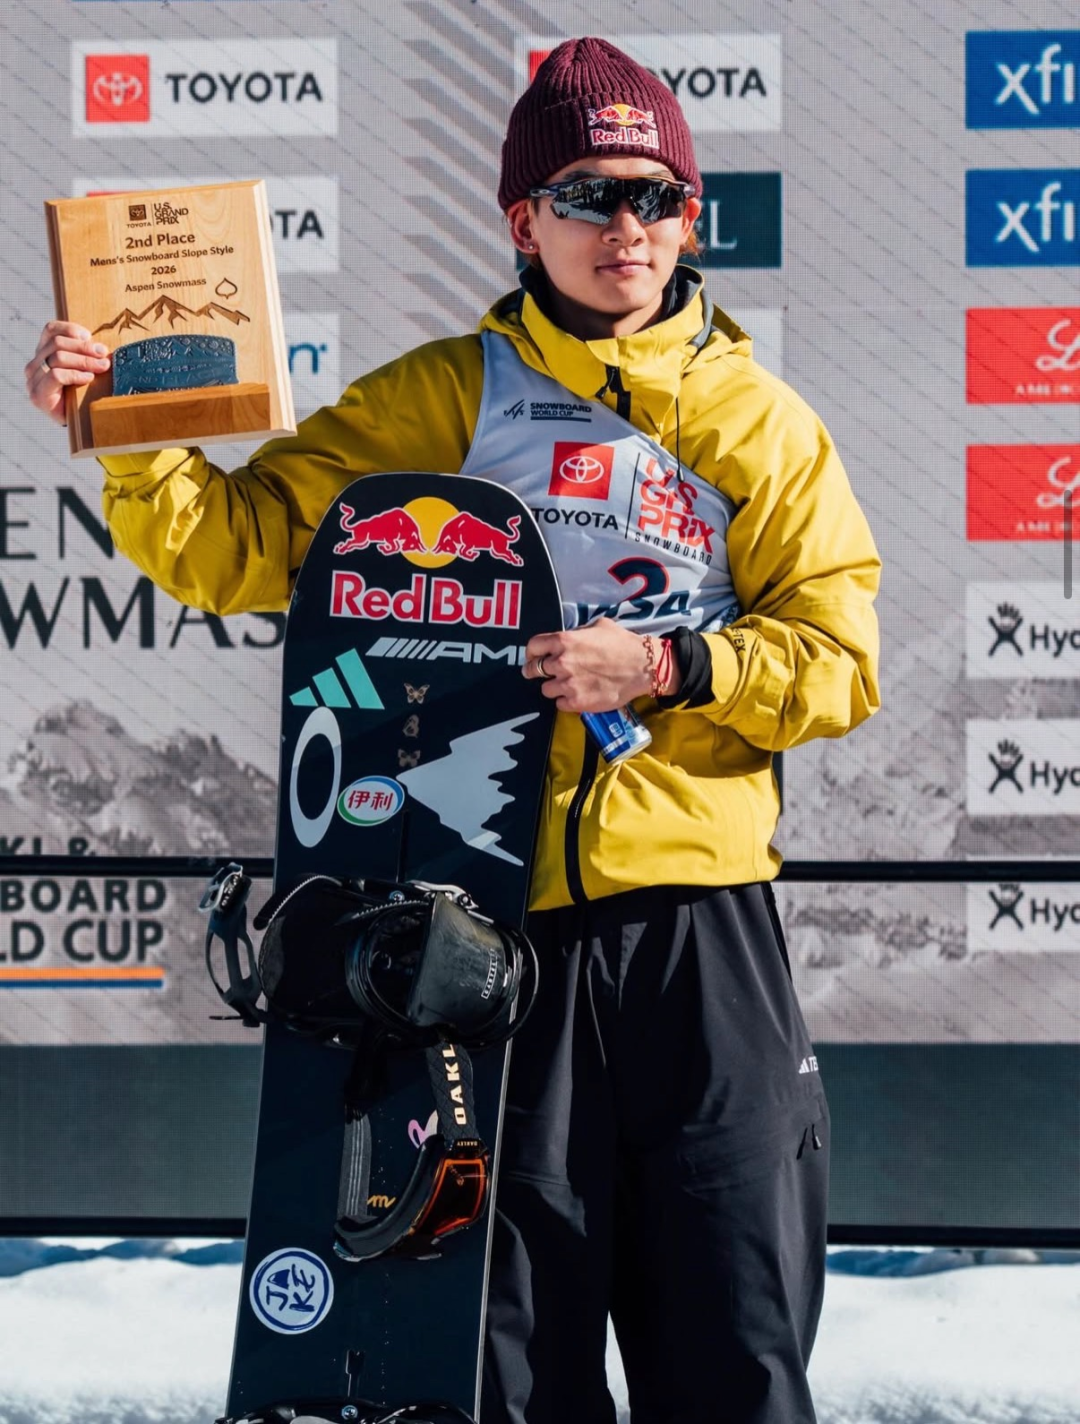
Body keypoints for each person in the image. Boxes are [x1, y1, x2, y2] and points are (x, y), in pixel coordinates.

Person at [26, 37, 880, 1424]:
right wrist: (120, 421)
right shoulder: (442, 398)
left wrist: (667, 663)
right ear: (524, 219)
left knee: (736, 1351)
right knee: (508, 1368)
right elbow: (240, 547)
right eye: (590, 195)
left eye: (657, 196)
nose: (627, 227)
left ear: (690, 220)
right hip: (491, 939)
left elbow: (840, 662)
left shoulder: (762, 426)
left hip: (699, 938)